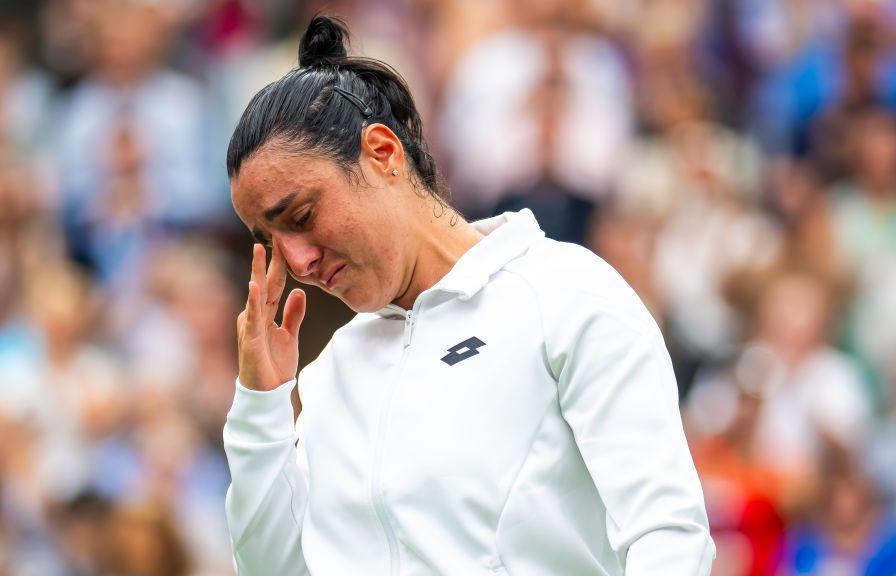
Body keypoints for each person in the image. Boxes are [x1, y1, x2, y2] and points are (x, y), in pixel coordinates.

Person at [222, 16, 715, 575]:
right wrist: (260, 408)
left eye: (303, 216)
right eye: (270, 240)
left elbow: (669, 537)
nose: (297, 261)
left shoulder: (565, 294)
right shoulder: (330, 372)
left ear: (383, 153)